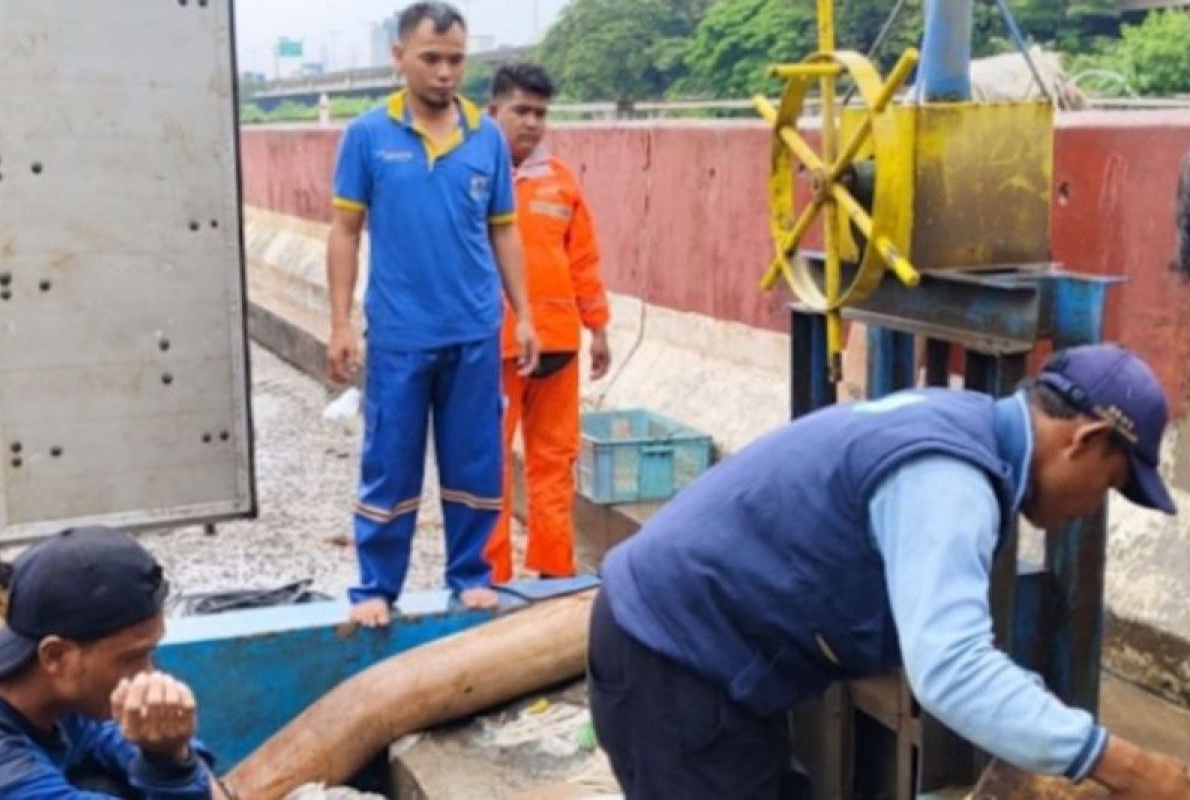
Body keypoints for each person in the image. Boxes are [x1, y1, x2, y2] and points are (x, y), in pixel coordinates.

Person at [588, 344, 1190, 799]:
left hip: (698, 655)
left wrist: (1038, 723)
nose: (1092, 508)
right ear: (1086, 439)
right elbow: (952, 671)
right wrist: (1132, 768)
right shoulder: (950, 479)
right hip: (672, 663)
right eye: (1108, 485)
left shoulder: (963, 422)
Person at [327, 2, 539, 627]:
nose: (445, 73)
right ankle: (375, 586)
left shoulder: (486, 139)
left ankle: (471, 574)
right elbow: (344, 230)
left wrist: (523, 314)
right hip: (398, 333)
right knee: (389, 461)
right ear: (399, 58)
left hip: (474, 328)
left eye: (455, 60)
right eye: (431, 59)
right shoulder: (367, 136)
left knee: (476, 458)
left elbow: (505, 233)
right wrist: (340, 323)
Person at [483, 63, 611, 584]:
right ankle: (490, 580)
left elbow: (584, 259)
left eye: (540, 113)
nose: (531, 123)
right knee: (487, 466)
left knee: (554, 463)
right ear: (494, 112)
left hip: (558, 346)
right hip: (492, 347)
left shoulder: (561, 182)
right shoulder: (470, 175)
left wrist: (597, 327)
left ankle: (555, 571)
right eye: (521, 111)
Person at [0, 526, 229, 799]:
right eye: (131, 658)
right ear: (55, 655)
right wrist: (170, 766)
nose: (147, 674)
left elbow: (116, 733)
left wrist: (170, 752)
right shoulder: (1, 769)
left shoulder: (57, 693)